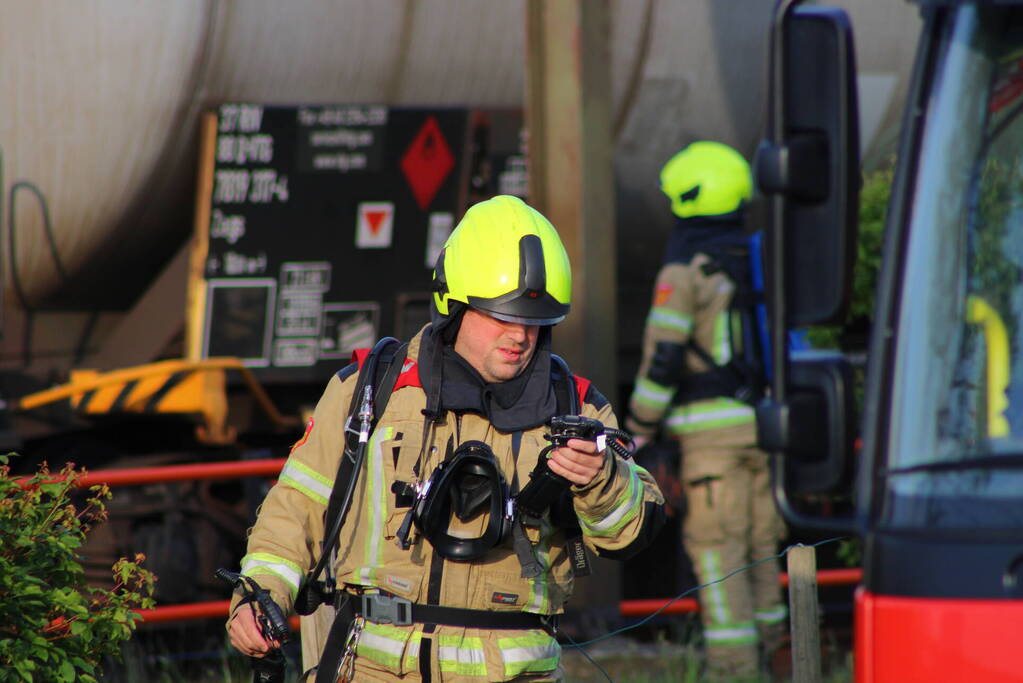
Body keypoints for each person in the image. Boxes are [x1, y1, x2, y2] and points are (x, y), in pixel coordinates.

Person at [227, 194, 665, 682]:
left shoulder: (577, 409)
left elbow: (632, 530)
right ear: (453, 306)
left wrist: (602, 479)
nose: (520, 336)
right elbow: (297, 507)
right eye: (502, 316)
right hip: (371, 668)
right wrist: (260, 594)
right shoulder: (370, 390)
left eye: (534, 323)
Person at [624, 141, 787, 681]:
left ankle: (734, 671)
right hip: (762, 427)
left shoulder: (686, 269)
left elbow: (663, 357)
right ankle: (779, 659)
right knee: (763, 550)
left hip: (710, 439)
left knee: (718, 557)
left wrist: (638, 428)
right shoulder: (758, 256)